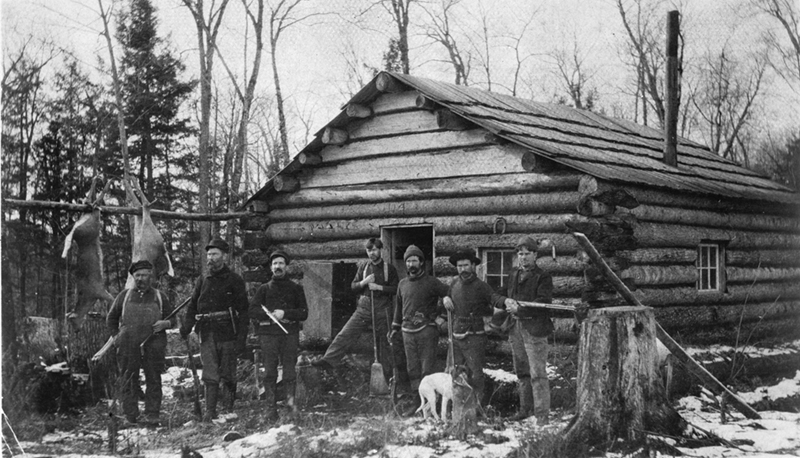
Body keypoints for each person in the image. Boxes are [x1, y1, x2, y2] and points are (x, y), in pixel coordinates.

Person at [312, 238, 408, 389]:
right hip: (363, 308)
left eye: (375, 250)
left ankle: (390, 382)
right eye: (369, 250)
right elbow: (353, 286)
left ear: (381, 250)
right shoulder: (363, 266)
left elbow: (397, 289)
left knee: (385, 345)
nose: (372, 253)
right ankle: (328, 361)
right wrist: (364, 283)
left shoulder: (389, 269)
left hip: (382, 310)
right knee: (346, 333)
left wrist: (379, 287)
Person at [180, 238, 249, 422]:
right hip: (206, 332)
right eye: (209, 254)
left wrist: (242, 338)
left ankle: (227, 409)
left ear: (224, 256)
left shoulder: (235, 280)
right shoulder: (203, 279)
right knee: (209, 373)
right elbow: (193, 306)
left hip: (227, 332)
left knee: (227, 372)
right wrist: (186, 327)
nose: (210, 258)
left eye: (215, 254)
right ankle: (210, 412)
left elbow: (243, 311)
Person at [491, 236, 554, 423]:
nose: (523, 257)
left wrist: (522, 308)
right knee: (522, 372)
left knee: (538, 374)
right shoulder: (513, 274)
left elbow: (544, 302)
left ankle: (542, 416)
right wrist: (504, 302)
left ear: (535, 255)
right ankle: (525, 410)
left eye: (527, 254)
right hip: (515, 328)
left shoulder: (543, 277)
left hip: (535, 329)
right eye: (520, 254)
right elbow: (499, 294)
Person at [107, 260, 175, 426]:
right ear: (133, 277)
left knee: (153, 378)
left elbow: (173, 319)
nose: (140, 278)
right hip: (128, 344)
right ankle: (130, 415)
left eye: (144, 275)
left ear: (150, 276)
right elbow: (111, 319)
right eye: (137, 275)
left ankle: (152, 414)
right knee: (128, 379)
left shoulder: (160, 296)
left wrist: (165, 324)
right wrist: (117, 338)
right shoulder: (124, 296)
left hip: (153, 344)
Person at [249, 250, 308, 421]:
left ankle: (290, 408)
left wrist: (285, 313)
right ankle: (270, 409)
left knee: (289, 372)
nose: (278, 267)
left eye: (281, 263)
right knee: (269, 373)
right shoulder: (264, 289)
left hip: (289, 334)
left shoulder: (296, 289)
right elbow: (252, 310)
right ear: (271, 267)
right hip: (268, 335)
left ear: (286, 266)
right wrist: (268, 315)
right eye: (275, 264)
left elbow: (303, 313)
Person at [390, 245, 449, 411]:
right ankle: (418, 402)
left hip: (427, 331)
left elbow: (449, 294)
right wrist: (395, 327)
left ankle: (431, 405)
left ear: (421, 262)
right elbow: (399, 307)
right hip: (407, 332)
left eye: (414, 260)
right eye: (408, 261)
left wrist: (441, 317)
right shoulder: (402, 284)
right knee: (412, 368)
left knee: (426, 368)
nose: (411, 264)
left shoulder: (431, 282)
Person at [442, 249, 496, 407]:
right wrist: (445, 298)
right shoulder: (454, 284)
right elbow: (447, 298)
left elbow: (496, 303)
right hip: (456, 334)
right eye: (459, 266)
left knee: (475, 374)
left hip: (474, 336)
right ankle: (456, 407)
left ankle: (476, 408)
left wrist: (492, 326)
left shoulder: (482, 287)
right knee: (452, 371)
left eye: (466, 265)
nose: (463, 269)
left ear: (473, 265)